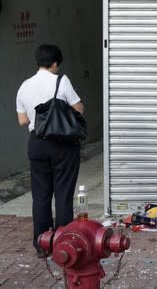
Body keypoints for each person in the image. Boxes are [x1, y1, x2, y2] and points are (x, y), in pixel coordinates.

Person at [15, 44, 84, 258]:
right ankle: (63, 243)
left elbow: (22, 120)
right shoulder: (61, 81)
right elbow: (78, 108)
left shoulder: (24, 85)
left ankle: (42, 244)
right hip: (62, 144)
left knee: (41, 195)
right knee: (63, 194)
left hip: (37, 143)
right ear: (55, 63)